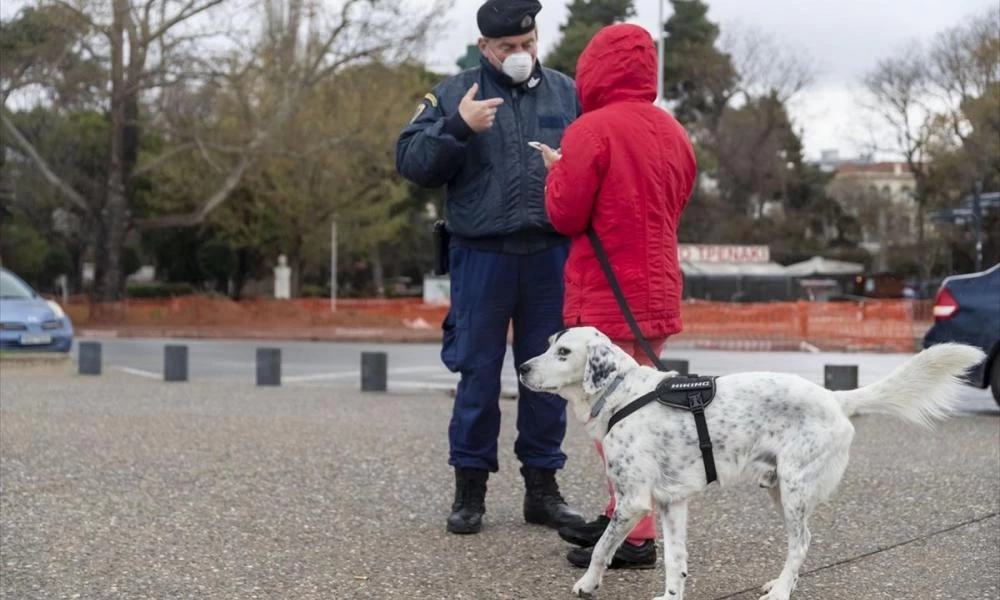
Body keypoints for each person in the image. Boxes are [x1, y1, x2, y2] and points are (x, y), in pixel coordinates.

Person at [395, 0, 587, 536]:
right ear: (485, 48)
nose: (520, 55)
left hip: (550, 255)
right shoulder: (455, 93)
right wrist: (457, 127)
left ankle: (543, 491)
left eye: (527, 45)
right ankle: (469, 491)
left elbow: (597, 160)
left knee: (549, 379)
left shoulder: (566, 92)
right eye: (508, 49)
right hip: (481, 256)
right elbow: (409, 161)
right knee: (477, 374)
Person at [539, 23, 697, 568]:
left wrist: (555, 173)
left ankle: (634, 534)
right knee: (639, 412)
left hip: (607, 298)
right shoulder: (673, 131)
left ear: (593, 71)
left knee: (617, 420)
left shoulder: (590, 130)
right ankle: (618, 516)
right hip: (656, 293)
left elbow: (567, 214)